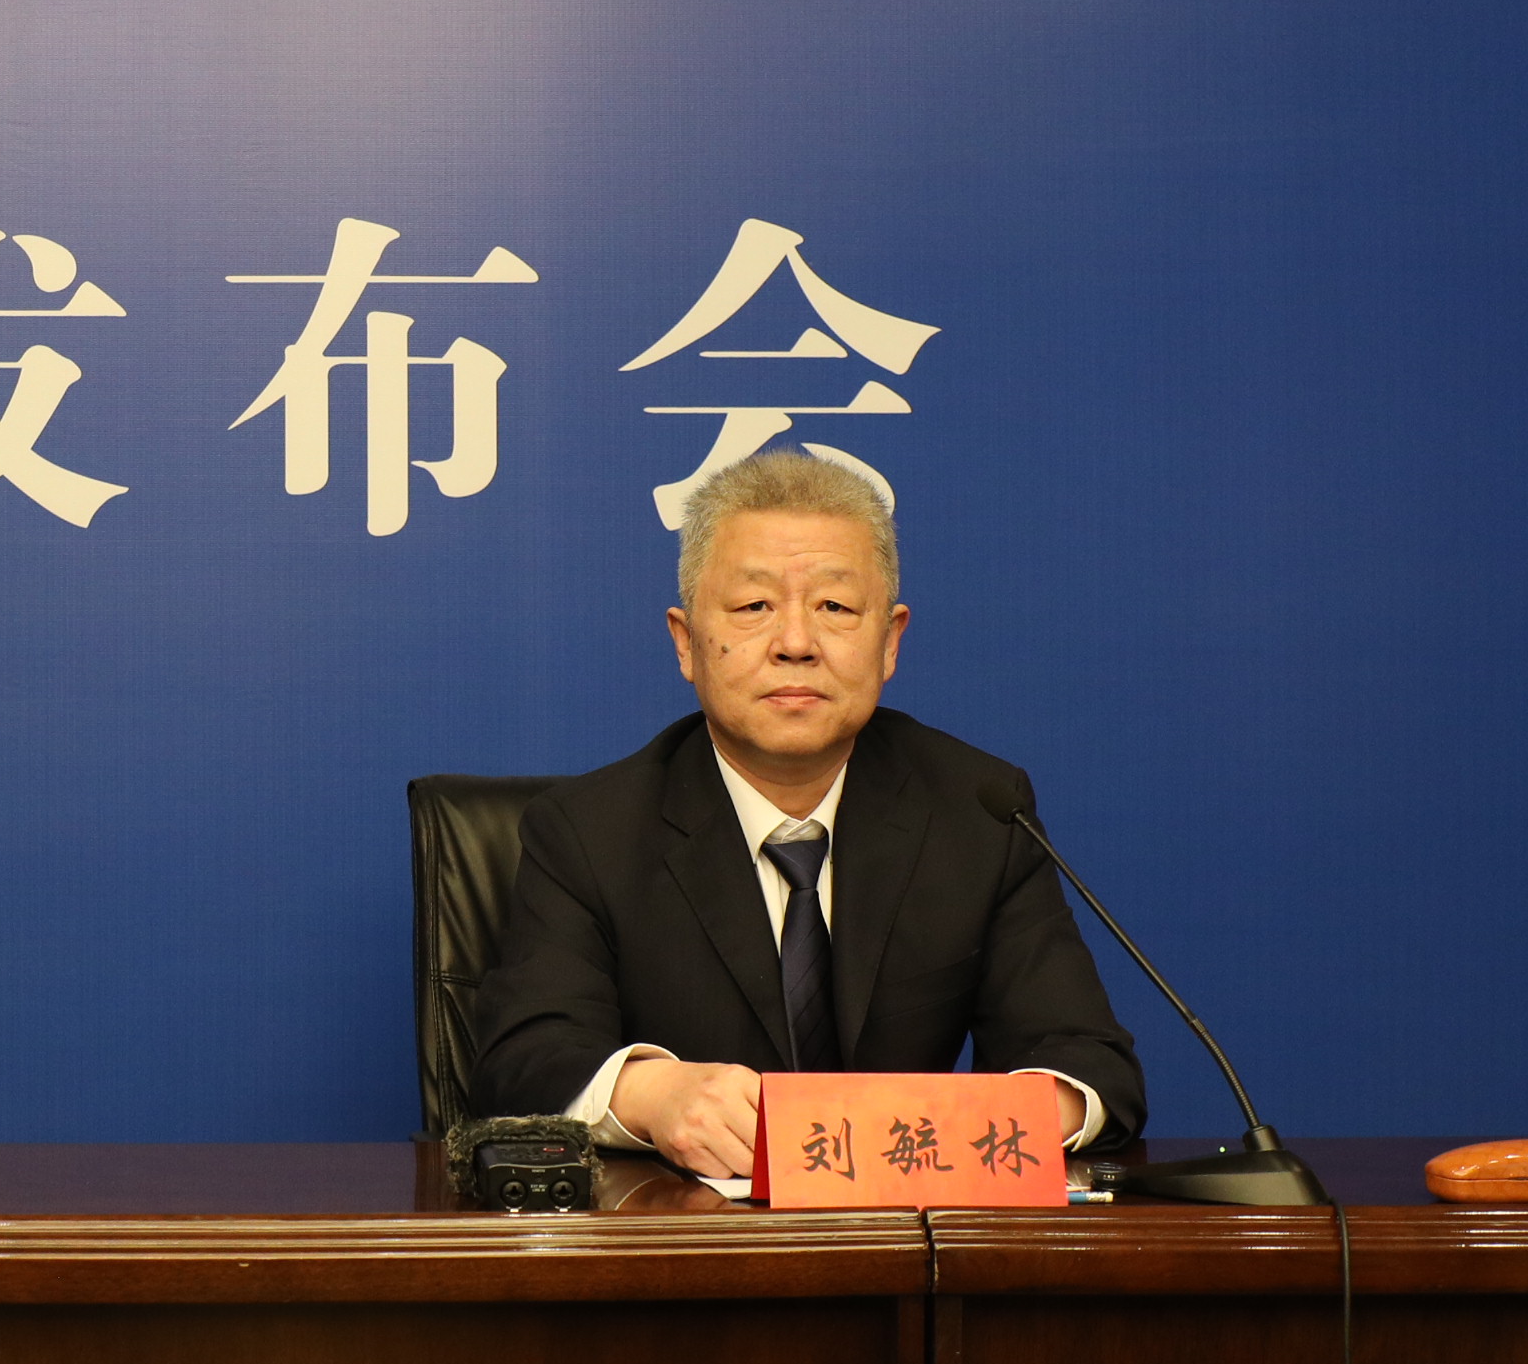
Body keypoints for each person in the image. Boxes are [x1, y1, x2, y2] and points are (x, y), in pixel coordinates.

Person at [466, 450, 1142, 1178]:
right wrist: (655, 1096)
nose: (795, 643)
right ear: (686, 643)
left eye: (836, 609)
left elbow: (1087, 1065)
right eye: (754, 607)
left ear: (890, 642)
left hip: (905, 1229)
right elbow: (524, 1062)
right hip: (684, 1232)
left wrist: (996, 1118)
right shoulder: (588, 832)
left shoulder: (978, 811)